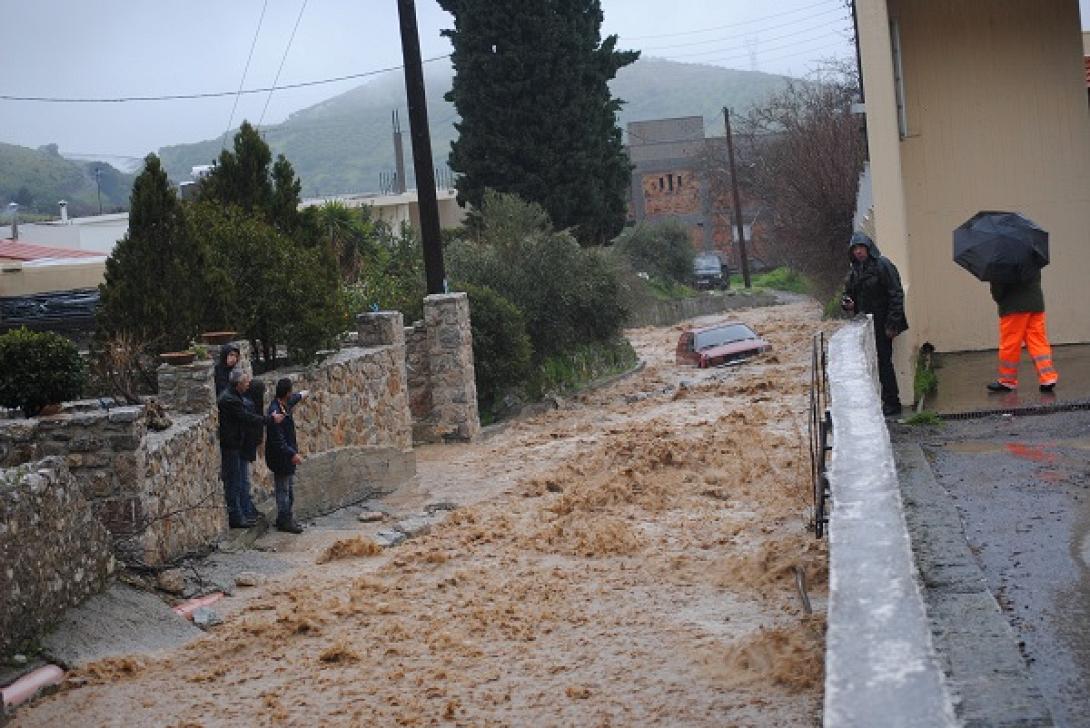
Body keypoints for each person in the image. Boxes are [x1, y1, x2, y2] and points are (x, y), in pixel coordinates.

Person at [841, 231, 909, 416]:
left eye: (861, 248)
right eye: (855, 249)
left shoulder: (883, 265)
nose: (858, 252)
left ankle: (892, 402)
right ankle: (882, 400)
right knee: (872, 363)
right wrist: (848, 303)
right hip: (866, 323)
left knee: (884, 362)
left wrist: (892, 324)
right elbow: (849, 294)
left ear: (869, 248)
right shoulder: (855, 271)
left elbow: (896, 294)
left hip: (883, 322)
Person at [217, 369, 283, 528]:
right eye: (246, 382)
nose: (248, 385)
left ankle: (243, 513)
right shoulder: (230, 399)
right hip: (232, 445)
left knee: (240, 481)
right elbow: (247, 417)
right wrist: (270, 420)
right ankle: (237, 516)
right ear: (238, 384)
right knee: (235, 482)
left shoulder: (234, 396)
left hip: (236, 444)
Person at [986, 269, 1058, 393]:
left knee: (1010, 344)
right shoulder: (1030, 254)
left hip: (1013, 307)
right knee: (1038, 341)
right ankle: (1048, 378)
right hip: (1035, 304)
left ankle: (1007, 381)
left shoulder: (1001, 261)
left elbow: (998, 291)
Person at [266, 377, 309, 534]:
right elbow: (278, 440)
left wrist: (303, 394)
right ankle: (284, 521)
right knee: (283, 491)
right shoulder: (275, 412)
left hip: (286, 456)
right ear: (286, 393)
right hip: (280, 458)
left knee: (288, 490)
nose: (292, 394)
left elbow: (294, 399)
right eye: (291, 391)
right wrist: (292, 454)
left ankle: (285, 518)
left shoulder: (284, 404)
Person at [238, 378, 266, 524]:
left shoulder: (246, 401)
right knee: (244, 481)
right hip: (243, 448)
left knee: (244, 480)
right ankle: (247, 511)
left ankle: (248, 509)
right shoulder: (249, 405)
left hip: (242, 447)